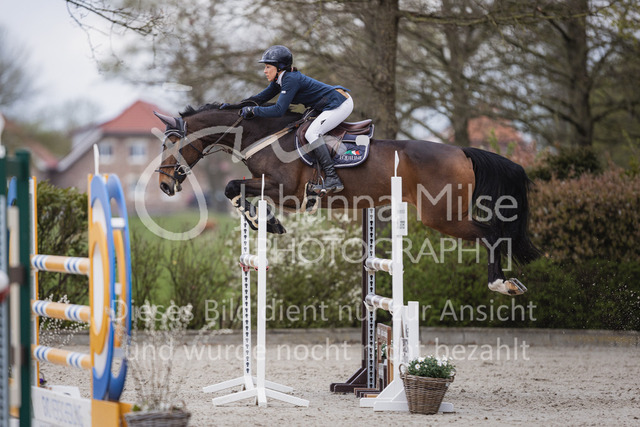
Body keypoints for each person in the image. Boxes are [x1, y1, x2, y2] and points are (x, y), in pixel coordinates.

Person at [239, 45, 353, 193]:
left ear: (279, 67)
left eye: (268, 67)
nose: (265, 71)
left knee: (312, 133)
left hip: (340, 103)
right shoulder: (280, 80)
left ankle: (333, 178)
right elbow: (259, 98)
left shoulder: (290, 80)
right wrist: (233, 106)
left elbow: (279, 110)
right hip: (328, 104)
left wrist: (254, 111)